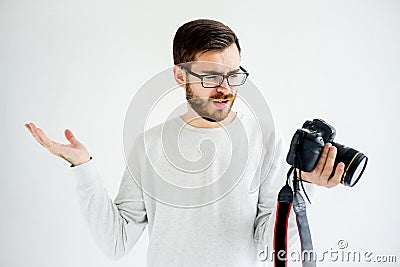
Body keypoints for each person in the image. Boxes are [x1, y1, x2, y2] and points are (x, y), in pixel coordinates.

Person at [25, 19, 345, 266]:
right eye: (210, 77)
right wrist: (83, 169)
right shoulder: (150, 146)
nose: (225, 88)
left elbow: (271, 246)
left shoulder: (265, 142)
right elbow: (116, 241)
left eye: (233, 75)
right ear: (181, 76)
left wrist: (303, 186)